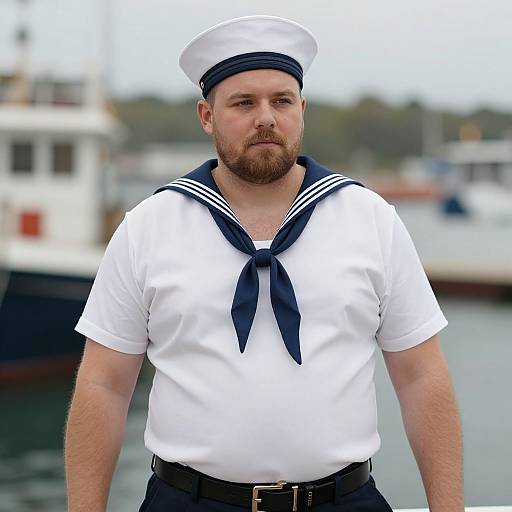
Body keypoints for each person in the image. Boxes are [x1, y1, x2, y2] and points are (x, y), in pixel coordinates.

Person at [64, 15, 464, 512]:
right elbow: (103, 385)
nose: (266, 118)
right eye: (243, 103)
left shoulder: (370, 220)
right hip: (188, 502)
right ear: (206, 116)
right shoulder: (149, 227)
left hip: (344, 501)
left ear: (302, 109)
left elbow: (421, 376)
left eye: (281, 100)